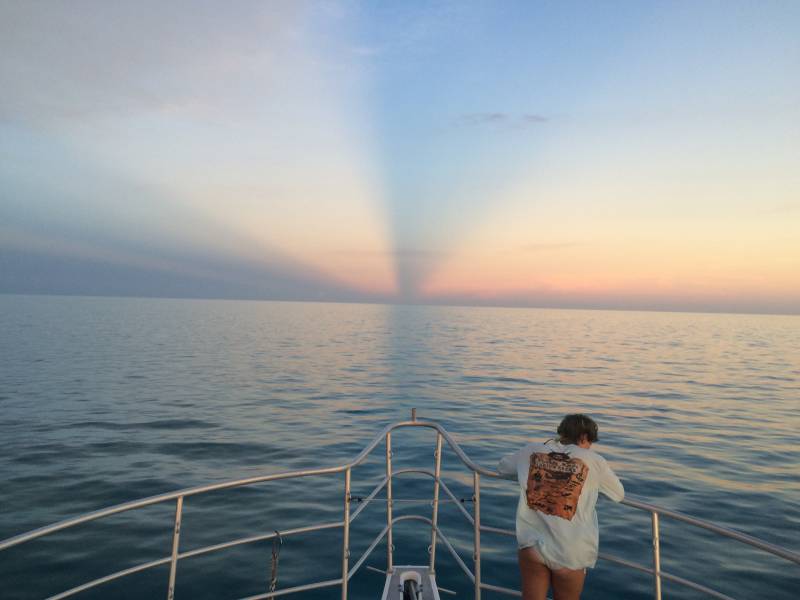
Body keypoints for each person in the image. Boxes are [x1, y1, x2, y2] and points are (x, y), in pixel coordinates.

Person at [497, 414, 624, 600]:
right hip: (569, 552)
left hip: (532, 547)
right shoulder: (594, 460)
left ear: (561, 432)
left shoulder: (531, 450)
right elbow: (618, 494)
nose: (590, 446)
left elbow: (503, 467)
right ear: (584, 437)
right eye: (590, 441)